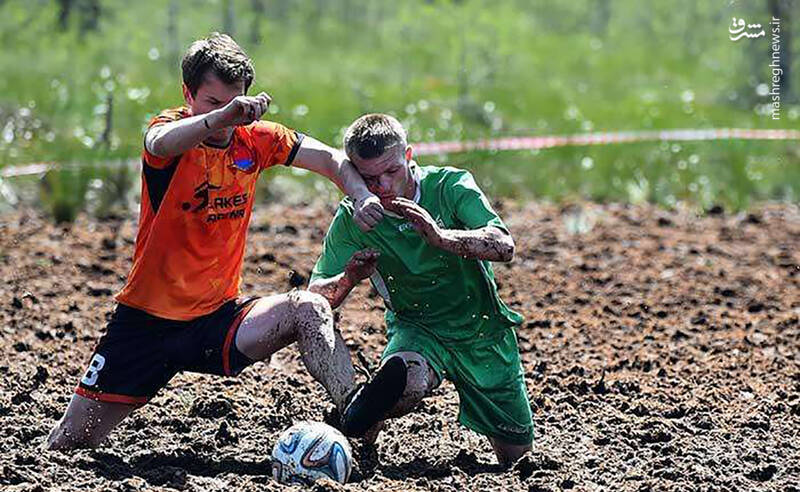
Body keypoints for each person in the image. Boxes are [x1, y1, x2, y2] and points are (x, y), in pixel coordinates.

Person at [47, 33, 384, 450]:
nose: (228, 115)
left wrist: (363, 195)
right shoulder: (170, 132)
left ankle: (356, 417)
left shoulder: (256, 138)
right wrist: (219, 118)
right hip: (145, 323)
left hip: (217, 319)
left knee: (309, 308)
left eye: (235, 102)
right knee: (68, 445)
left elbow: (332, 160)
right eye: (213, 102)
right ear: (188, 95)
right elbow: (157, 143)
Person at [308, 113, 533, 466]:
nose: (382, 185)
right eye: (368, 178)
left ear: (409, 156)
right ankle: (359, 422)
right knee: (406, 382)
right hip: (418, 327)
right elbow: (316, 300)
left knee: (517, 460)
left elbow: (504, 245)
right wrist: (350, 277)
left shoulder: (450, 186)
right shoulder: (354, 217)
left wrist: (442, 238)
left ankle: (360, 415)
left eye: (392, 171)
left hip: (482, 330)